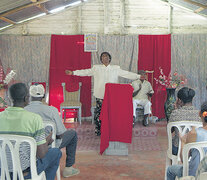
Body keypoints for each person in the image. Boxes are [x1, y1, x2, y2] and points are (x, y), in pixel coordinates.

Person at [65, 52, 140, 136]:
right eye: (103, 56)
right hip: (100, 94)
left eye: (107, 56)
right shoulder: (96, 68)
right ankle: (99, 130)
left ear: (109, 59)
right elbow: (85, 72)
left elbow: (127, 74)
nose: (105, 58)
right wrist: (73, 73)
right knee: (99, 113)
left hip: (112, 95)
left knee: (112, 113)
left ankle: (112, 130)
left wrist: (138, 76)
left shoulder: (115, 68)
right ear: (101, 59)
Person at [0, 83, 62, 180]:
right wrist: (47, 141)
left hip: (3, 170)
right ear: (26, 98)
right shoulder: (34, 119)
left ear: (8, 97)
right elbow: (41, 154)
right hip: (26, 172)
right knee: (56, 153)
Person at [25, 83, 80, 178]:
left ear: (29, 96)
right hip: (48, 146)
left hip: (27, 147)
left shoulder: (24, 110)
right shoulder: (52, 110)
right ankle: (68, 168)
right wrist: (51, 136)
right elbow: (61, 133)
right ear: (43, 95)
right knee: (72, 134)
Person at [167, 101, 207, 180]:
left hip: (193, 174)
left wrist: (183, 141)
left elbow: (183, 160)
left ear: (200, 114)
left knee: (170, 170)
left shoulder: (193, 133)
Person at [169, 87, 201, 155]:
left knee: (172, 143)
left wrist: (176, 109)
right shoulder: (199, 114)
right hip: (195, 149)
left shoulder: (175, 113)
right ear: (192, 99)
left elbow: (171, 130)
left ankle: (173, 164)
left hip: (178, 148)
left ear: (179, 100)